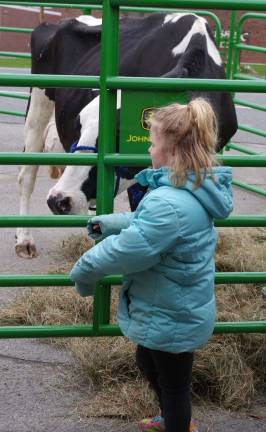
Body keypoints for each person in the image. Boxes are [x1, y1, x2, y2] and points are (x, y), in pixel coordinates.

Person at [70, 98, 233, 432]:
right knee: (148, 362)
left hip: (172, 314)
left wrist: (84, 271)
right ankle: (174, 419)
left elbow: (129, 250)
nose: (148, 149)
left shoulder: (169, 203)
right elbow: (147, 224)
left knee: (174, 387)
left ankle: (177, 424)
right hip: (173, 306)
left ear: (171, 151)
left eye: (152, 142)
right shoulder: (187, 190)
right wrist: (112, 223)